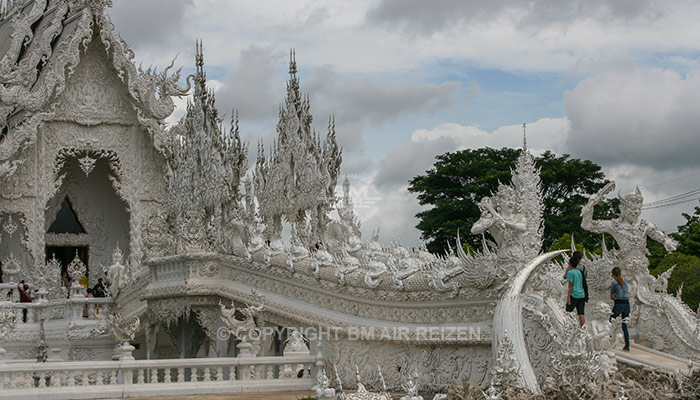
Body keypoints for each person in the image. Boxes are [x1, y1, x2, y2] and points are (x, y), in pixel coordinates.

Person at [610, 267, 630, 351]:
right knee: (624, 325)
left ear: (613, 275)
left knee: (610, 321)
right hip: (627, 304)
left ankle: (608, 339)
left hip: (619, 304)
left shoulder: (614, 283)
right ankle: (627, 345)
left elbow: (612, 296)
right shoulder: (624, 283)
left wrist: (613, 296)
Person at [566, 256, 586, 326]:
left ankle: (569, 327)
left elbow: (570, 285)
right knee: (581, 313)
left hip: (574, 294)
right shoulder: (579, 272)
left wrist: (568, 297)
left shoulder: (570, 272)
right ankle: (583, 329)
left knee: (568, 312)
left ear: (570, 264)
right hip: (581, 294)